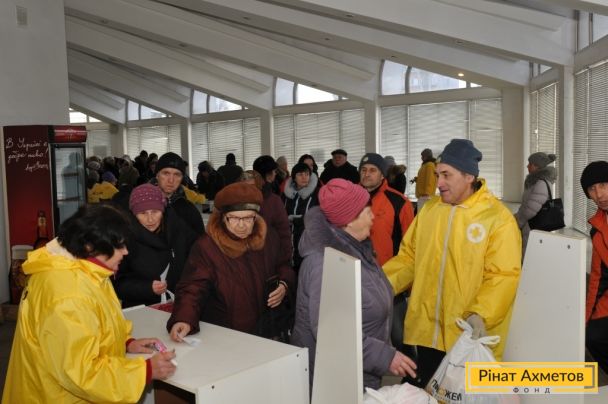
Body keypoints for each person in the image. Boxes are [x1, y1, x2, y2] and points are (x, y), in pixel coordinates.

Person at [2, 204, 176, 403]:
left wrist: (125, 343)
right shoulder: (68, 293)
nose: (126, 252)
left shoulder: (85, 271)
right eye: (119, 246)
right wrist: (144, 371)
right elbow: (79, 372)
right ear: (90, 247)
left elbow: (93, 327)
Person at [383, 139, 521, 388]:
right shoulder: (430, 211)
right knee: (432, 393)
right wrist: (380, 285)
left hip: (468, 334)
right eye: (438, 175)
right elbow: (409, 258)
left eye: (446, 175)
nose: (439, 183)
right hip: (428, 332)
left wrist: (481, 314)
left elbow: (503, 275)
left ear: (469, 176)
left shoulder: (497, 218)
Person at [291, 179, 417, 390]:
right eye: (367, 212)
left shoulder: (356, 247)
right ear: (349, 221)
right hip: (337, 380)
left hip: (360, 370)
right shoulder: (325, 263)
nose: (373, 216)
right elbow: (332, 334)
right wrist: (384, 356)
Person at [166, 182, 295, 339]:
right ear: (222, 218)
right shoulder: (207, 246)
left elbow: (283, 265)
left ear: (256, 217)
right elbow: (192, 287)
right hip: (225, 332)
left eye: (248, 218)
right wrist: (184, 318)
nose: (241, 226)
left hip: (266, 330)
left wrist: (284, 284)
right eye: (233, 218)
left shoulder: (269, 238)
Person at [113, 184, 198, 308]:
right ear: (133, 214)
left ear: (163, 210)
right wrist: (147, 288)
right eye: (142, 213)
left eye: (155, 211)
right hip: (140, 310)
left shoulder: (180, 230)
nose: (150, 219)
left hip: (180, 305)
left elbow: (197, 264)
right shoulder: (124, 239)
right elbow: (116, 284)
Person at [359, 153, 414, 266]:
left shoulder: (399, 202)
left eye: (372, 170)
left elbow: (411, 243)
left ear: (382, 175)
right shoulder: (349, 198)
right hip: (355, 266)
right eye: (363, 170)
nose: (367, 174)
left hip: (386, 270)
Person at [580, 161, 608, 375]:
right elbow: (598, 277)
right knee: (592, 336)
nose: (599, 194)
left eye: (603, 185)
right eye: (592, 188)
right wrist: (586, 317)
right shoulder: (598, 227)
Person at [242, 168, 293, 265]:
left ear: (259, 185)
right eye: (244, 187)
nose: (248, 190)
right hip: (245, 258)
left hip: (270, 255)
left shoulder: (273, 201)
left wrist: (286, 257)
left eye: (252, 186)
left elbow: (284, 231)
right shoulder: (237, 204)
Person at [514, 152, 557, 254]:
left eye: (530, 164)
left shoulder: (541, 183)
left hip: (533, 226)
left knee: (529, 253)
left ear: (536, 166)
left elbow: (531, 209)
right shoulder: (536, 181)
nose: (527, 166)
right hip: (531, 225)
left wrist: (518, 221)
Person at [153, 152, 205, 235]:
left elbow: (200, 240)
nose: (171, 180)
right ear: (157, 175)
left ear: (182, 178)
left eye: (177, 174)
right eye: (166, 173)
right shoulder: (142, 206)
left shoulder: (189, 210)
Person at [283, 162, 320, 272]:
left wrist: (297, 220)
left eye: (307, 174)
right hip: (288, 244)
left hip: (309, 245)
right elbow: (281, 215)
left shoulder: (317, 194)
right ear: (294, 177)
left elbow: (318, 217)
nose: (304, 177)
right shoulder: (286, 195)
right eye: (300, 174)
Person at [413, 148, 437, 213]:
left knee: (422, 215)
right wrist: (417, 179)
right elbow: (425, 177)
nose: (421, 158)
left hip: (426, 196)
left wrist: (427, 193)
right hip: (423, 196)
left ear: (426, 156)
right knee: (419, 215)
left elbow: (430, 179)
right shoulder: (425, 165)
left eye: (422, 156)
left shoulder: (429, 165)